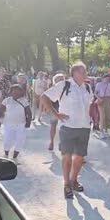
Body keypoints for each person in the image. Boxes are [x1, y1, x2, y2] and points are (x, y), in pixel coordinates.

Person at [41, 62, 93, 199]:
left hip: (84, 127)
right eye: (82, 71)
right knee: (67, 156)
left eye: (85, 71)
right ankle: (66, 184)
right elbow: (44, 97)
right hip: (67, 127)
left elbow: (89, 104)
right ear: (74, 73)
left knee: (80, 157)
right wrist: (56, 114)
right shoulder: (64, 85)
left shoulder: (87, 87)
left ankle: (74, 180)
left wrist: (90, 118)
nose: (85, 74)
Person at [0, 85, 32, 162]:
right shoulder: (6, 100)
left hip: (21, 124)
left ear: (21, 92)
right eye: (14, 90)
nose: (16, 92)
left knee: (20, 141)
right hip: (8, 124)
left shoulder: (24, 101)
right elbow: (0, 111)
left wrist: (28, 122)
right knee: (7, 140)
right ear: (11, 91)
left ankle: (15, 157)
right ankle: (6, 154)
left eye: (18, 90)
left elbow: (29, 113)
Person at [48, 73, 66, 151]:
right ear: (55, 81)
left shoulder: (68, 89)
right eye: (60, 79)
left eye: (62, 79)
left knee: (65, 128)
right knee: (53, 126)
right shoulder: (53, 89)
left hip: (65, 111)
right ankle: (51, 142)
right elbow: (48, 100)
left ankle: (62, 143)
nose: (62, 81)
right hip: (55, 110)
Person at [95, 75, 110, 139]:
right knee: (102, 116)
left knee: (108, 115)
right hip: (101, 100)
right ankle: (101, 132)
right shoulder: (99, 84)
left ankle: (106, 131)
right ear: (103, 78)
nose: (107, 80)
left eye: (108, 79)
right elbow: (95, 93)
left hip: (108, 100)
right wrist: (99, 98)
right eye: (106, 78)